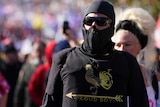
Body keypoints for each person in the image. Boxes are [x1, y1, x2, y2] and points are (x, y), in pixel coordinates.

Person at [41, 1, 149, 107]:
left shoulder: (127, 62)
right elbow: (49, 102)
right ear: (83, 24)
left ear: (111, 27)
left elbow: (140, 102)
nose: (94, 26)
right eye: (89, 21)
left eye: (101, 21)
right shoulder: (64, 59)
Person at [111, 7, 159, 107]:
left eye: (127, 45)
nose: (121, 49)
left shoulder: (154, 78)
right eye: (118, 45)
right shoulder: (106, 74)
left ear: (139, 47)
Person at [13, 40, 46, 107]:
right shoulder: (27, 68)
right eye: (37, 51)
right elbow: (19, 89)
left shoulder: (48, 69)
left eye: (41, 51)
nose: (39, 54)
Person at [28, 40, 56, 107]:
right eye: (54, 51)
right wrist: (42, 102)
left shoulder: (65, 69)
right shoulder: (42, 70)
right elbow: (32, 88)